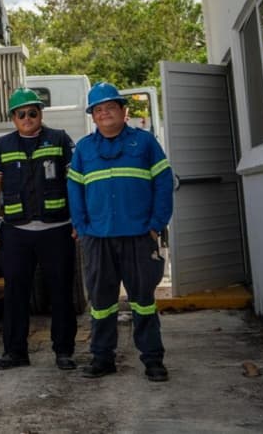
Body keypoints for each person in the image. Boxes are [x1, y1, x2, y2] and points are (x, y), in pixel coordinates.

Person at [68, 82, 173, 382]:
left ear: (123, 111)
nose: (104, 114)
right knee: (101, 303)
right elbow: (74, 189)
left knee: (142, 300)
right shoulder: (85, 149)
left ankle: (153, 360)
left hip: (139, 236)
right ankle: (102, 358)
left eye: (109, 108)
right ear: (93, 116)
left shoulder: (145, 143)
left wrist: (156, 225)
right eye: (98, 110)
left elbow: (164, 185)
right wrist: (82, 226)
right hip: (97, 238)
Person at [0, 87, 79, 371]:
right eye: (21, 113)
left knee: (61, 291)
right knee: (15, 292)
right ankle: (15, 352)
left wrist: (79, 221)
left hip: (57, 229)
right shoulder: (3, 145)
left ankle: (64, 351)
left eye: (32, 112)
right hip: (16, 232)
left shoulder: (60, 140)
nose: (27, 118)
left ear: (40, 114)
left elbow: (74, 182)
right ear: (13, 117)